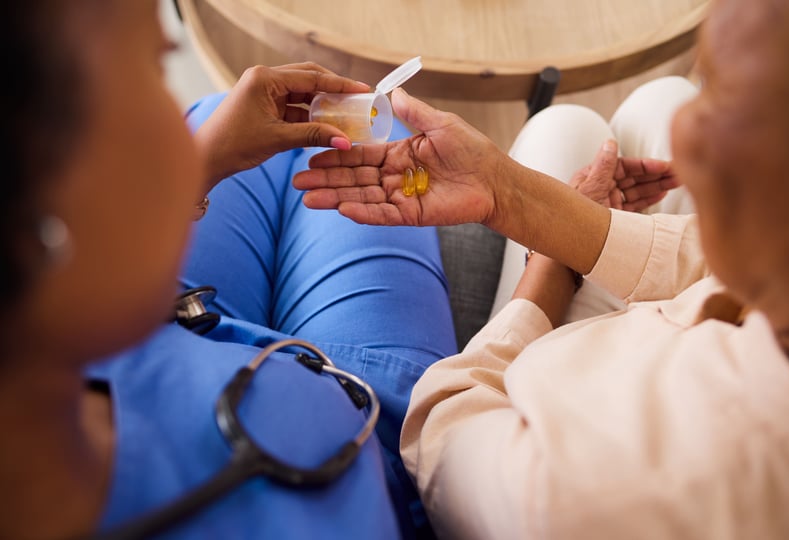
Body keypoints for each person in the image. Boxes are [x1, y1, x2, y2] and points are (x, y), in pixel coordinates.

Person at [292, 0, 789, 536]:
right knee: (649, 101)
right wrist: (507, 192)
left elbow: (438, 427)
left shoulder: (595, 496)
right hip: (638, 338)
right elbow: (709, 263)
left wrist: (552, 269)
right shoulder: (786, 288)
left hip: (513, 400)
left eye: (716, 106)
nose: (685, 129)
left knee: (565, 125)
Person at [0, 1, 456, 539]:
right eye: (155, 67)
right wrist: (547, 263)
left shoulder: (58, 343)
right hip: (378, 423)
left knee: (275, 123)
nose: (183, 121)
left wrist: (201, 167)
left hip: (197, 336)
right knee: (379, 135)